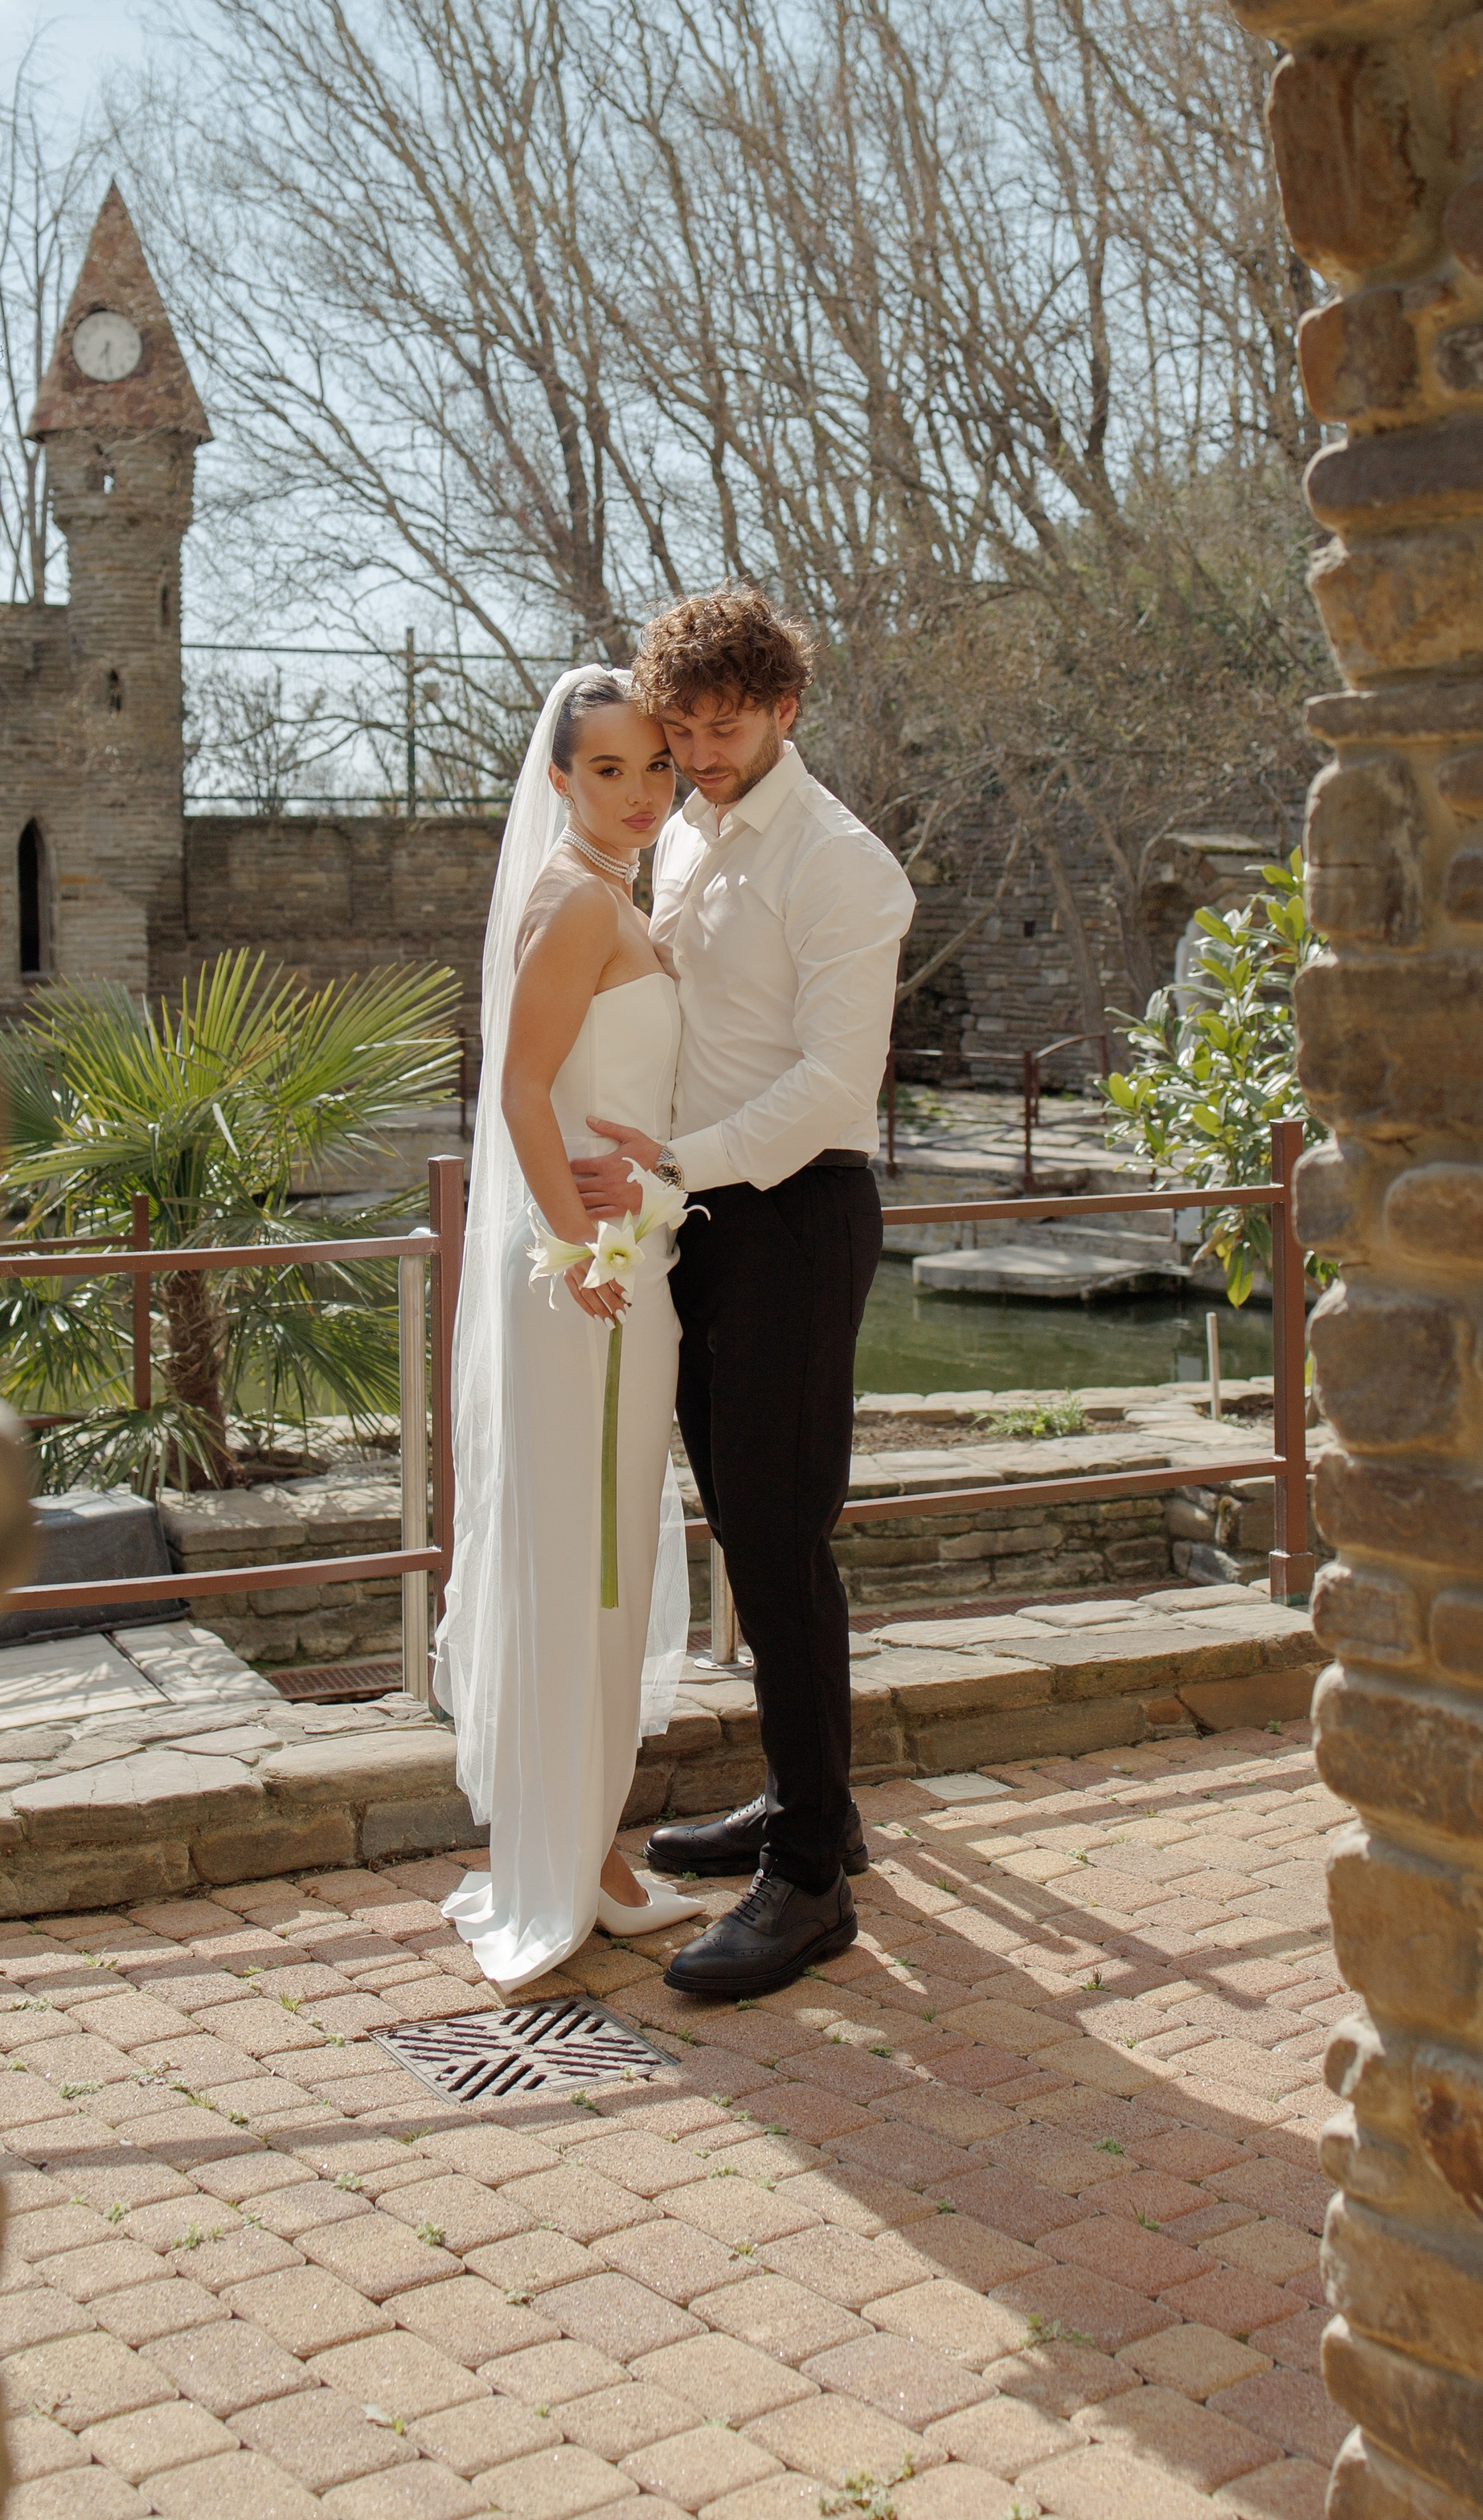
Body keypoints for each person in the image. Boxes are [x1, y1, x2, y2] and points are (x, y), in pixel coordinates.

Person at [571, 587, 914, 1999]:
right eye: (685, 730)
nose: (702, 755)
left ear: (787, 709)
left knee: (781, 1540)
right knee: (742, 1527)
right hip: (701, 1215)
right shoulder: (692, 832)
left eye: (727, 727)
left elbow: (835, 1087)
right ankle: (806, 1803)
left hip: (794, 1213)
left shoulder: (842, 865)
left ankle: (814, 1884)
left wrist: (675, 1170)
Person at [432, 669, 703, 1990]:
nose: (642, 793)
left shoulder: (620, 899)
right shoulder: (576, 900)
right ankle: (569, 1860)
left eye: (657, 768)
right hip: (589, 1278)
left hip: (625, 1258)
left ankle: (588, 1845)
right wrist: (573, 1247)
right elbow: (522, 1087)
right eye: (610, 771)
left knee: (606, 1552)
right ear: (559, 780)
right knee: (589, 1556)